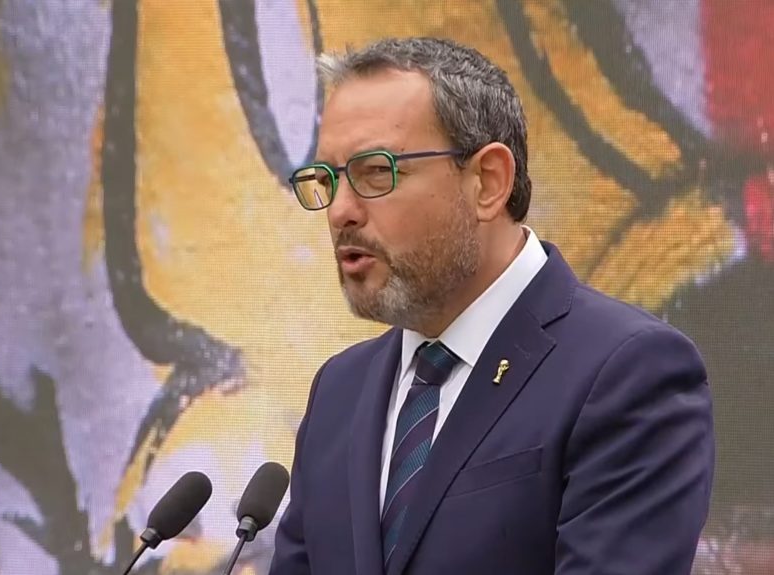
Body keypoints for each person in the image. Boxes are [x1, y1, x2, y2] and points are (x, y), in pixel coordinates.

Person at [269, 37, 714, 575]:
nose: (340, 210)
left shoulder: (628, 371)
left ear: (488, 182)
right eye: (326, 179)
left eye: (375, 172)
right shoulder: (339, 391)